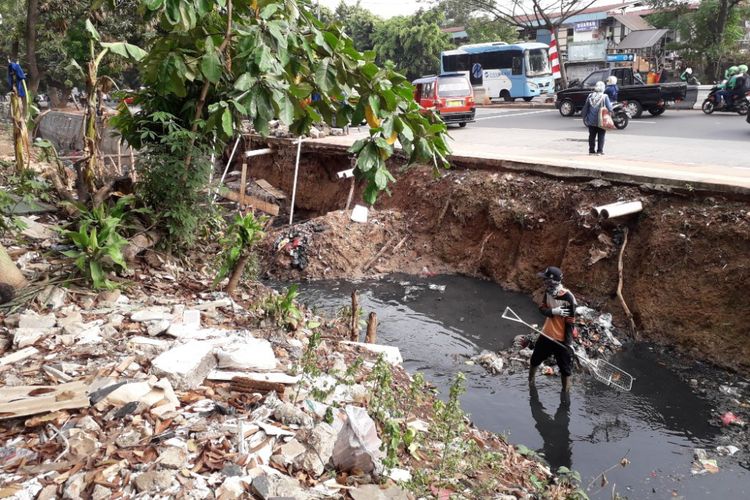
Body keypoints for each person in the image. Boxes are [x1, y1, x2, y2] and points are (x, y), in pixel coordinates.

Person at [529, 266, 577, 392]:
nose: (543, 282)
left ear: (552, 281)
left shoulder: (568, 297)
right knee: (535, 360)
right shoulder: (548, 293)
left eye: (545, 280)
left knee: (565, 370)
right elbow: (542, 308)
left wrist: (568, 343)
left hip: (561, 339)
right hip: (546, 334)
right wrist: (553, 311)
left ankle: (565, 395)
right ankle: (531, 382)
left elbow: (570, 322)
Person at [530, 384, 572, 470]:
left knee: (536, 411)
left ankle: (531, 385)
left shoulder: (560, 457)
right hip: (556, 435)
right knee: (563, 408)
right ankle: (531, 383)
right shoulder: (563, 457)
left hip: (554, 436)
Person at [581, 81, 613, 156]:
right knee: (601, 135)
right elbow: (610, 108)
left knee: (592, 136)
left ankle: (591, 151)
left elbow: (586, 107)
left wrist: (585, 117)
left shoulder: (590, 96)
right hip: (601, 120)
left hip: (591, 120)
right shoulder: (604, 96)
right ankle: (599, 151)